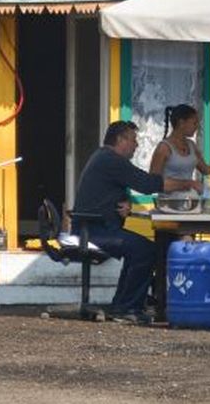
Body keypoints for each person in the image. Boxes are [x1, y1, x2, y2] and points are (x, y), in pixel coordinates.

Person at [72, 120, 164, 322]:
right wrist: (186, 182)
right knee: (145, 250)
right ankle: (127, 308)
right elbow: (147, 184)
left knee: (140, 249)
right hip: (93, 231)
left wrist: (125, 204)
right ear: (120, 139)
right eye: (133, 140)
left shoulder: (102, 157)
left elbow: (107, 193)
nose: (136, 145)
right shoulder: (111, 160)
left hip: (96, 227)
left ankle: (123, 305)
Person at [149, 104, 210, 192]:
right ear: (182, 123)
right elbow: (153, 182)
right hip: (168, 204)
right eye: (194, 123)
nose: (197, 127)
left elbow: (206, 169)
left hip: (190, 201)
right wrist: (189, 184)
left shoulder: (191, 145)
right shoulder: (163, 148)